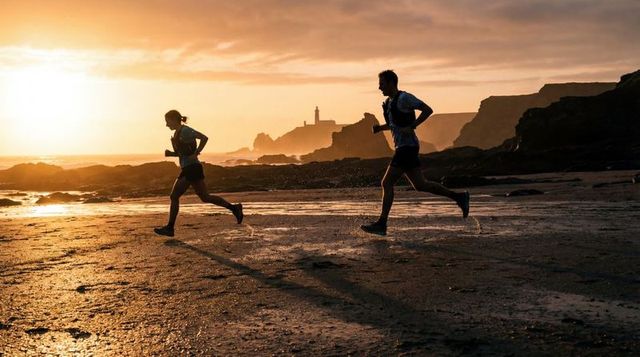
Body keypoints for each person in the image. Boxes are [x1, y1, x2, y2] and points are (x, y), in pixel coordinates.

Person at [361, 70, 469, 236]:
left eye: (382, 83)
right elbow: (394, 124)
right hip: (404, 147)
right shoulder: (389, 102)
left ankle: (382, 224)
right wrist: (380, 128)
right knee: (420, 185)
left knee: (386, 183)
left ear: (391, 83)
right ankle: (459, 197)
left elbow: (427, 109)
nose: (379, 87)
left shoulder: (405, 98)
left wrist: (413, 125)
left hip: (407, 147)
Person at [154, 110, 243, 237]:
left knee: (174, 196)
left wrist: (197, 152)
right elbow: (185, 153)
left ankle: (170, 228)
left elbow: (204, 138)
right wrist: (172, 153)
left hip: (192, 168)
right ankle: (234, 208)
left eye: (167, 121)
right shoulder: (177, 133)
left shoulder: (186, 131)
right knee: (205, 197)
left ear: (174, 119)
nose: (166, 124)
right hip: (190, 168)